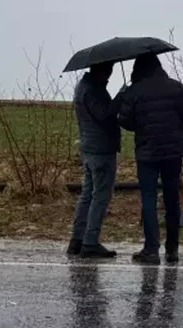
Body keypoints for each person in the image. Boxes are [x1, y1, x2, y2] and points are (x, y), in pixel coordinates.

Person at [117, 53, 183, 265]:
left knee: (149, 199)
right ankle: (172, 249)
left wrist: (139, 124)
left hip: (147, 152)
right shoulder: (176, 87)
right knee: (172, 199)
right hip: (173, 152)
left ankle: (151, 249)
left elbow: (124, 120)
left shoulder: (135, 90)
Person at [67, 62, 121, 258]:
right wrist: (120, 97)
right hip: (101, 150)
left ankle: (77, 240)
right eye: (109, 71)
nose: (109, 75)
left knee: (87, 195)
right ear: (102, 70)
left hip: (89, 148)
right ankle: (90, 241)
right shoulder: (93, 91)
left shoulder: (83, 87)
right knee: (100, 197)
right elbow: (104, 114)